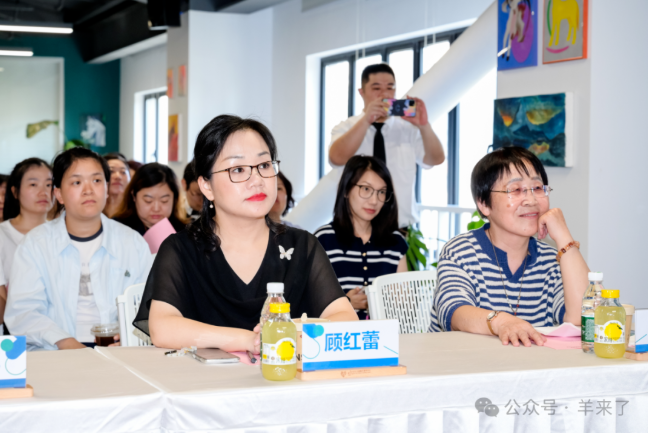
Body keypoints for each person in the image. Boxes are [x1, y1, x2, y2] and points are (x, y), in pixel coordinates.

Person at [133, 115, 358, 352]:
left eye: (264, 165)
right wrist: (249, 340)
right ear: (206, 186)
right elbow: (162, 328)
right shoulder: (181, 249)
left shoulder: (301, 246)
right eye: (238, 169)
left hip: (284, 373)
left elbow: (345, 318)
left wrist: (291, 334)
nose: (257, 180)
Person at [429, 147, 589, 347]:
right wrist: (501, 322)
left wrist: (565, 239)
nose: (531, 200)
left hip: (531, 364)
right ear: (484, 204)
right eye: (515, 190)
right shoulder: (461, 251)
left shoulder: (552, 259)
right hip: (462, 360)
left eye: (537, 188)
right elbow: (454, 312)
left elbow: (583, 318)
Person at [4, 148, 152, 350]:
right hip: (54, 351)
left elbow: (146, 306)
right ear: (58, 194)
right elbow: (23, 312)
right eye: (76, 182)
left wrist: (127, 338)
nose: (88, 190)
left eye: (97, 180)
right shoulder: (35, 244)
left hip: (119, 350)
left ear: (107, 189)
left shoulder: (132, 243)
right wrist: (65, 342)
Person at [328, 63, 446, 228]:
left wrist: (424, 125)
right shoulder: (346, 127)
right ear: (362, 92)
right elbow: (336, 158)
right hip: (356, 226)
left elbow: (436, 159)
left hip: (400, 226)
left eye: (390, 88)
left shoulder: (408, 129)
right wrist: (367, 120)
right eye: (376, 88)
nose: (384, 94)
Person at [315, 156, 408, 319]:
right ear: (346, 190)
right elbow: (310, 301)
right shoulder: (323, 239)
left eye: (381, 192)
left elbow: (405, 302)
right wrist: (346, 302)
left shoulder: (395, 242)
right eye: (366, 189)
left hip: (386, 332)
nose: (374, 201)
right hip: (340, 332)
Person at [0, 158, 53, 334]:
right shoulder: (3, 235)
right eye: (33, 184)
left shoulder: (64, 234)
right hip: (14, 336)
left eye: (49, 185)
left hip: (62, 332)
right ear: (15, 191)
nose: (43, 192)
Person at [113, 163, 189, 235]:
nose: (156, 209)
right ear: (133, 196)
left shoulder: (186, 231)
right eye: (148, 201)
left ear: (174, 198)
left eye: (164, 201)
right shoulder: (117, 228)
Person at [103, 153, 131, 218]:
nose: (118, 176)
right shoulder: (91, 209)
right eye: (111, 171)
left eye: (123, 172)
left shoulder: (137, 210)